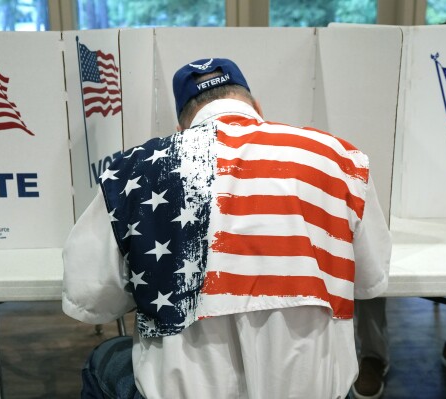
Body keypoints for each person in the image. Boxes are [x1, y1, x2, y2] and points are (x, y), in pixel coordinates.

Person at [62, 57, 392, 399]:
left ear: (182, 129)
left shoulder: (134, 170)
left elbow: (87, 297)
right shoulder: (340, 159)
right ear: (256, 108)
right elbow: (371, 281)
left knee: (103, 359)